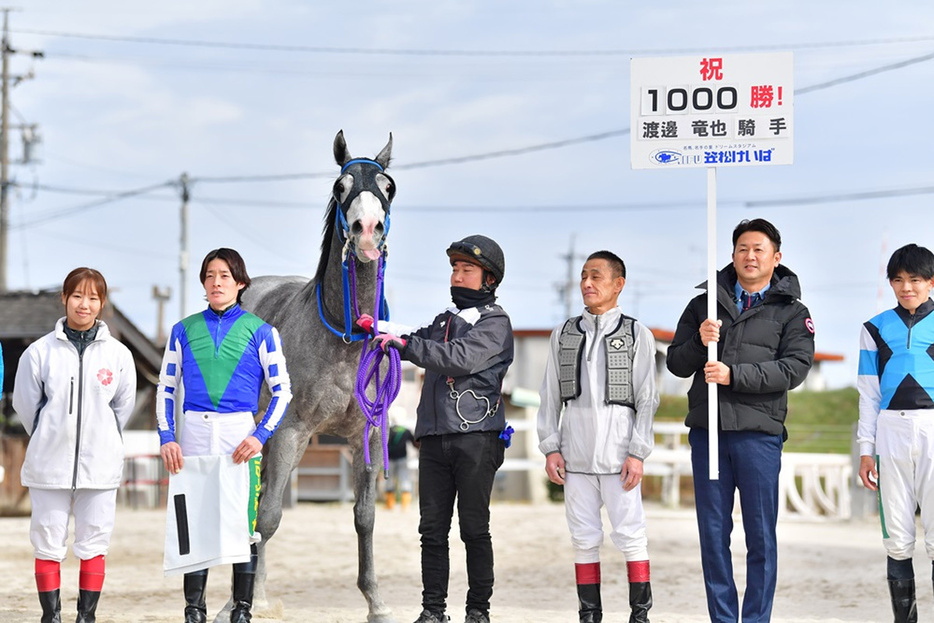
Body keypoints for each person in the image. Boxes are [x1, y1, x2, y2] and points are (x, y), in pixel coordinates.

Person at [666, 218, 815, 623]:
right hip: (708, 433)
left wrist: (735, 375)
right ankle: (722, 618)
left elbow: (795, 369)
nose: (750, 256)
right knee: (713, 536)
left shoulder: (792, 312)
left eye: (759, 249)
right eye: (742, 249)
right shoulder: (705, 305)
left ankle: (755, 620)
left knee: (761, 536)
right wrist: (700, 341)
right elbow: (676, 363)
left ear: (776, 257)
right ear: (732, 254)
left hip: (758, 435)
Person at [366, 234, 513, 623]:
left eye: (467, 269)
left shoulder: (496, 323)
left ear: (489, 280)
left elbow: (458, 358)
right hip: (433, 438)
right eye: (454, 268)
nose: (457, 275)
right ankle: (433, 611)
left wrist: (404, 346)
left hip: (476, 438)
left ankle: (478, 610)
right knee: (431, 531)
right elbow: (411, 337)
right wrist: (373, 326)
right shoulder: (443, 320)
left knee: (473, 529)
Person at [156, 248, 292, 623]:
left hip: (239, 434)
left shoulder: (262, 331)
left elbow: (283, 391)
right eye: (210, 275)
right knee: (193, 523)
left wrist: (261, 435)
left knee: (242, 525)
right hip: (194, 434)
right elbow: (165, 388)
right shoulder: (182, 330)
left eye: (225, 276)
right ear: (203, 282)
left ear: (240, 283)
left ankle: (242, 609)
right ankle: (193, 610)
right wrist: (167, 437)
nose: (217, 282)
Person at [537, 250, 659, 623]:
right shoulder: (564, 332)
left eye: (597, 277)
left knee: (630, 535)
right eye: (584, 276)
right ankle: (589, 615)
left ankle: (640, 615)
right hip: (575, 457)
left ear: (618, 284)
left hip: (620, 455)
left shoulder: (638, 333)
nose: (587, 284)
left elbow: (647, 397)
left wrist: (638, 452)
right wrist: (550, 447)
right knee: (583, 538)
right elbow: (550, 395)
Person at [14, 267, 137, 623]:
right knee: (48, 541)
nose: (85, 304)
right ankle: (50, 616)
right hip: (49, 465)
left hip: (99, 466)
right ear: (65, 298)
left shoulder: (118, 355)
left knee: (94, 541)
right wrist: (49, 433)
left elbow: (122, 408)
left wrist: (102, 437)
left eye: (93, 298)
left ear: (102, 304)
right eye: (78, 296)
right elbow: (25, 405)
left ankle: (87, 616)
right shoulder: (39, 352)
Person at [857, 243, 934, 622]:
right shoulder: (874, 328)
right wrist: (866, 449)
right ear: (891, 283)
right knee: (898, 539)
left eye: (915, 280)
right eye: (899, 280)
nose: (907, 287)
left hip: (933, 430)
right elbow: (868, 393)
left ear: (930, 282)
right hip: (890, 432)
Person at [384, 419, 417, 510]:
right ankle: (405, 505)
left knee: (389, 481)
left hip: (389, 459)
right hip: (402, 458)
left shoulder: (388, 430)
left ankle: (389, 505)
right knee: (405, 480)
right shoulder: (406, 431)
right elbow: (415, 444)